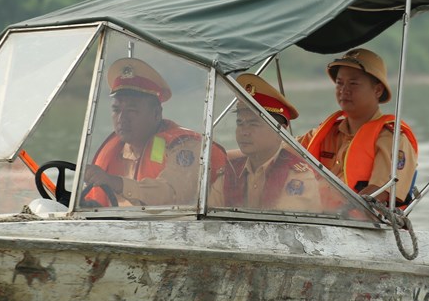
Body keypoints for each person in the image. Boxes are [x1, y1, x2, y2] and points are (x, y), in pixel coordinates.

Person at [83, 57, 225, 207]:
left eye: (132, 110)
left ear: (157, 113)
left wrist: (114, 182)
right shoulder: (114, 151)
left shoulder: (186, 146)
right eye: (116, 110)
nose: (121, 118)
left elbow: (171, 194)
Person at [298, 48, 418, 206]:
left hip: (359, 225)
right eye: (339, 83)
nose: (343, 90)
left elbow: (379, 192)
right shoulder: (326, 133)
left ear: (377, 90)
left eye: (353, 83)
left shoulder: (391, 139)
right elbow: (284, 147)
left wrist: (342, 211)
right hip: (317, 221)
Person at [209, 74, 319, 212]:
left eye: (253, 124)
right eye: (240, 123)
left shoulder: (298, 176)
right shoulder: (229, 173)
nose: (244, 131)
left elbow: (282, 226)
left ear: (280, 131)